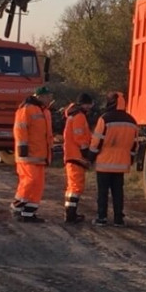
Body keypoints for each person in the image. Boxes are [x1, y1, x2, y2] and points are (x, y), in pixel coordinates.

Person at [88, 91, 138, 227]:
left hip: (104, 163)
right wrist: (130, 160)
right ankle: (118, 219)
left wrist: (90, 158)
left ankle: (102, 217)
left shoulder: (105, 119)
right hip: (122, 164)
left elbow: (96, 142)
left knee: (103, 193)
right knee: (118, 193)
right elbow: (134, 145)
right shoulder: (132, 121)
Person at [10, 86, 54, 223]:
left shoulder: (45, 111)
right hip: (28, 155)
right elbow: (20, 129)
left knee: (38, 184)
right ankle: (16, 206)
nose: (50, 99)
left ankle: (29, 213)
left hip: (40, 155)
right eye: (47, 96)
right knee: (30, 181)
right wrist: (23, 148)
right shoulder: (26, 109)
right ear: (39, 97)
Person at [62, 92, 95, 223]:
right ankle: (71, 215)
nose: (90, 107)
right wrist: (85, 151)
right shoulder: (79, 116)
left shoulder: (73, 115)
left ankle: (70, 213)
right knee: (76, 187)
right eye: (89, 104)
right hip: (76, 156)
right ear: (85, 104)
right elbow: (79, 136)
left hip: (71, 155)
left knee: (72, 187)